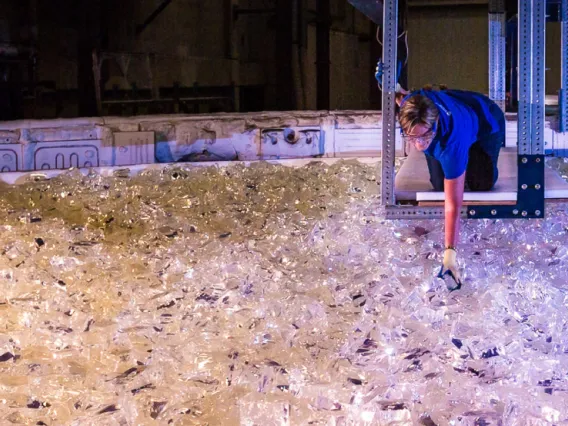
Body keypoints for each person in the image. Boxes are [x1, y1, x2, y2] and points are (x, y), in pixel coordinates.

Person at [395, 86, 505, 289]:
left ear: (435, 123)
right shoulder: (410, 106)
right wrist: (388, 83)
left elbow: (453, 204)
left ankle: (473, 157)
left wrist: (450, 254)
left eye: (424, 136)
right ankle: (459, 159)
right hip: (453, 114)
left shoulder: (452, 142)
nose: (418, 145)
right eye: (412, 137)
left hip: (485, 120)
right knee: (438, 185)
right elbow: (398, 96)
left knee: (482, 184)